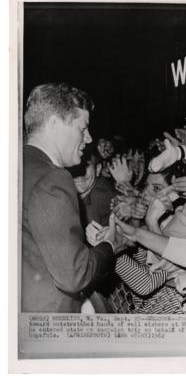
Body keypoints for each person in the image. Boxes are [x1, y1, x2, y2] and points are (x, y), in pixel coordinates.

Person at [22, 83, 120, 313]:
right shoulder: (52, 178)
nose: (89, 138)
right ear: (55, 124)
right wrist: (109, 246)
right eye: (82, 128)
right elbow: (75, 275)